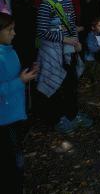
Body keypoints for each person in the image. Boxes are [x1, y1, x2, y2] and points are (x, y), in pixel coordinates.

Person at [36, 0, 92, 134]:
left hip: (69, 51)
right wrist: (64, 38)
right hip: (52, 53)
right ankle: (57, 118)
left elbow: (72, 24)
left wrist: (75, 42)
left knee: (70, 83)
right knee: (55, 84)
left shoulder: (68, 1)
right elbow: (42, 31)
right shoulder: (46, 5)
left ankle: (72, 114)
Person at [0, 13, 38, 193]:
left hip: (15, 113)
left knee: (16, 157)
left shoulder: (10, 49)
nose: (14, 33)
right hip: (4, 119)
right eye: (9, 30)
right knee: (11, 162)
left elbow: (12, 76)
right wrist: (20, 81)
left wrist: (28, 73)